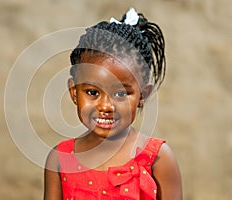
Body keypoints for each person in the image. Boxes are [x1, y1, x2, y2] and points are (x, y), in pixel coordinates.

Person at [44, 8, 182, 200]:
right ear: (74, 92)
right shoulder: (60, 159)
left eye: (120, 93)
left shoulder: (159, 158)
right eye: (92, 92)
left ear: (143, 95)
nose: (106, 106)